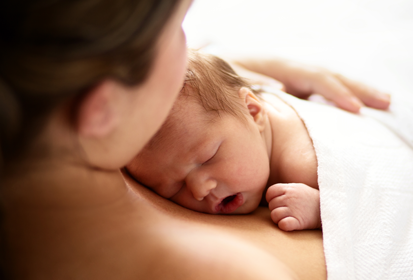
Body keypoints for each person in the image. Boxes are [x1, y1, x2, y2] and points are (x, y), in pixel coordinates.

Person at [0, 0, 413, 280]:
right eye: (180, 29)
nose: (194, 48)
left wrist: (223, 79)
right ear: (103, 105)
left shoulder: (12, 148)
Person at [128, 50, 325, 231]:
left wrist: (319, 208)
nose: (200, 190)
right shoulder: (236, 115)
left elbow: (356, 204)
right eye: (174, 188)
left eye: (207, 158)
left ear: (252, 111)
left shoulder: (306, 164)